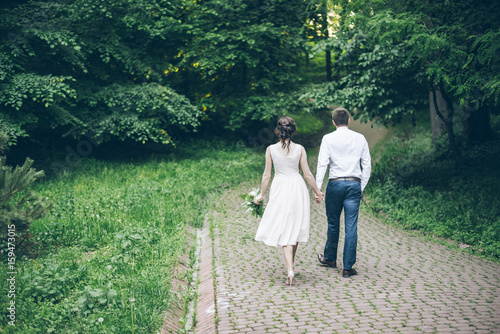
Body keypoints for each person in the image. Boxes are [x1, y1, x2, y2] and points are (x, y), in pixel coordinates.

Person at [254, 117, 324, 286]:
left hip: (280, 188)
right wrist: (317, 192)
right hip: (297, 187)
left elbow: (267, 175)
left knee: (286, 229)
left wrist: (261, 195)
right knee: (294, 227)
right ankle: (291, 266)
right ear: (293, 131)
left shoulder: (270, 149)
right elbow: (307, 174)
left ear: (278, 130)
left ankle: (290, 270)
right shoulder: (300, 149)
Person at [315, 107, 371, 278]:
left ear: (333, 122)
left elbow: (322, 164)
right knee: (351, 226)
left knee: (333, 223)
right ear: (348, 120)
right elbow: (367, 165)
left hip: (335, 185)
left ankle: (330, 258)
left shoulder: (328, 138)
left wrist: (318, 189)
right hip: (354, 184)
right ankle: (347, 267)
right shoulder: (360, 138)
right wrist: (360, 187)